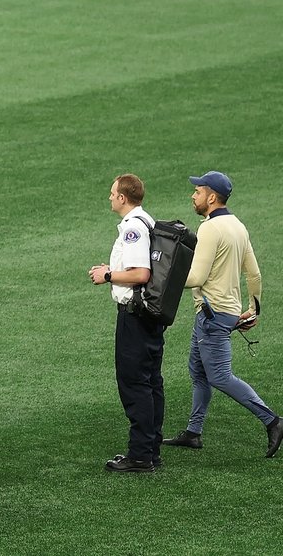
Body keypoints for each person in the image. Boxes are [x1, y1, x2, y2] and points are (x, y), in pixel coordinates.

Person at [167, 172, 283, 457]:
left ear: (212, 197)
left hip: (213, 316)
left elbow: (196, 277)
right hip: (223, 313)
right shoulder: (238, 226)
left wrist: (159, 279)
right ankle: (193, 433)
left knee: (219, 376)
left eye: (197, 191)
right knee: (199, 372)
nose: (193, 196)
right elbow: (254, 273)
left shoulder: (210, 229)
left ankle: (273, 421)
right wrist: (254, 310)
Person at [88, 174, 161, 472]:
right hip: (149, 316)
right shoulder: (146, 221)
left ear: (123, 197)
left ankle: (141, 455)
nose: (109, 197)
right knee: (151, 381)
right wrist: (112, 269)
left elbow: (140, 274)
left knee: (135, 383)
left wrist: (106, 276)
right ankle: (150, 449)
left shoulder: (133, 227)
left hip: (135, 315)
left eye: (112, 193)